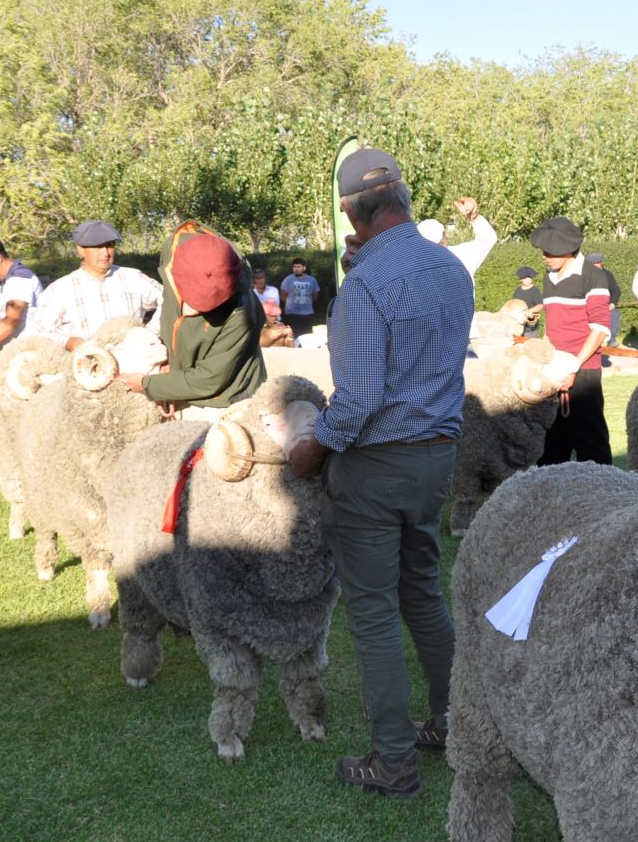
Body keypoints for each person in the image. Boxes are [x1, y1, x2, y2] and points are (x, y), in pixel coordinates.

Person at [286, 147, 472, 800]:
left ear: (350, 212)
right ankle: (452, 724)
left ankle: (393, 760)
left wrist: (313, 447)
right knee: (423, 589)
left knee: (372, 611)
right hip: (436, 458)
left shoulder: (364, 284)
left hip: (376, 464)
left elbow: (359, 401)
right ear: (404, 198)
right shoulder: (451, 267)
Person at [118, 223, 266, 419]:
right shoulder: (173, 252)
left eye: (208, 307)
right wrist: (167, 382)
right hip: (184, 381)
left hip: (223, 399)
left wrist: (150, 386)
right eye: (189, 299)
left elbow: (210, 379)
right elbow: (174, 320)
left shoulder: (240, 314)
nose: (192, 310)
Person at [532, 216, 614, 465]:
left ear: (567, 250)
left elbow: (600, 328)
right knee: (552, 445)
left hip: (583, 370)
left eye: (550, 251)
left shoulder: (593, 277)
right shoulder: (548, 278)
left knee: (592, 444)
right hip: (555, 369)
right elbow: (552, 324)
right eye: (543, 250)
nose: (544, 255)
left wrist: (573, 367)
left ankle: (606, 497)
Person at [29, 220, 163, 349]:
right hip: (91, 364)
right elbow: (38, 330)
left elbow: (170, 299)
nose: (105, 252)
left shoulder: (134, 278)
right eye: (98, 246)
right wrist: (67, 341)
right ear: (80, 250)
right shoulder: (61, 289)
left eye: (109, 245)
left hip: (138, 361)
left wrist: (149, 333)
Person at [416, 196, 498, 278]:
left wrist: (474, 217)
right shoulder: (415, 275)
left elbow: (489, 239)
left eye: (440, 242)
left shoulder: (460, 256)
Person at [278, 257, 321, 342]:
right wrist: (290, 304)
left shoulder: (311, 280)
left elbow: (315, 295)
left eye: (299, 266)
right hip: (292, 314)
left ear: (304, 268)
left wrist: (307, 303)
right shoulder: (288, 280)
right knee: (294, 337)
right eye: (294, 267)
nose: (296, 269)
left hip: (308, 313)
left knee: (307, 337)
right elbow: (282, 295)